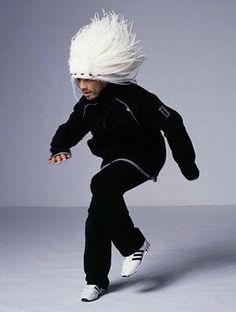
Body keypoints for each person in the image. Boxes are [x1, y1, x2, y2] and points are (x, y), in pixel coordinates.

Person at [48, 11, 199, 302]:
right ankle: (96, 281)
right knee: (96, 216)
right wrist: (60, 147)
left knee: (101, 185)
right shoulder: (86, 105)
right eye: (78, 78)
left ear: (106, 75)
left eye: (89, 79)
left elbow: (173, 122)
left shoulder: (136, 98)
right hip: (114, 160)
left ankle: (133, 244)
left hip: (144, 156)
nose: (83, 85)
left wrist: (187, 164)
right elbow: (70, 128)